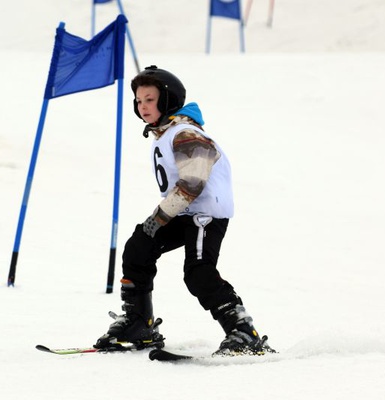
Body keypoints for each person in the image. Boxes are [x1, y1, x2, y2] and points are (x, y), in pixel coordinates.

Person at [94, 65, 272, 355]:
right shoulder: (165, 133)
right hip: (186, 212)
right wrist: (157, 221)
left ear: (167, 100)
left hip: (205, 214)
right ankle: (140, 323)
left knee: (198, 272)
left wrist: (160, 217)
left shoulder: (185, 134)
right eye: (139, 101)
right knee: (139, 247)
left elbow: (193, 182)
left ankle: (242, 332)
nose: (142, 107)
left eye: (149, 99)